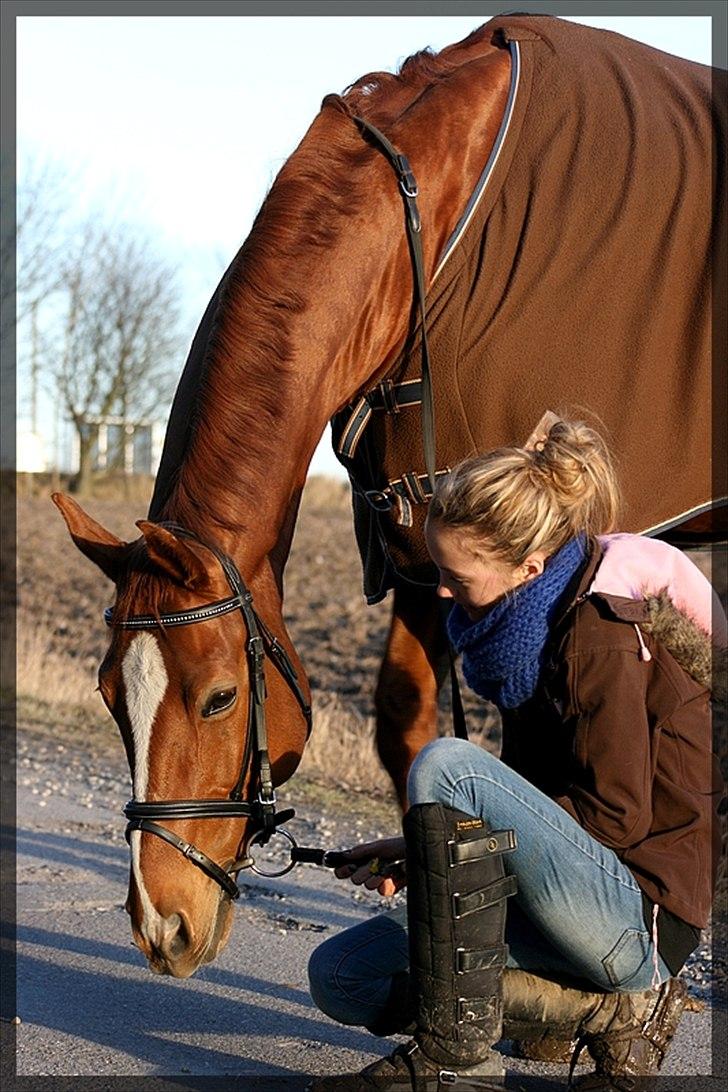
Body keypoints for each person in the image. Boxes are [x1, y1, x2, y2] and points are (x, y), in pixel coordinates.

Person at [307, 413, 724, 1092]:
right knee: (342, 977)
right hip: (573, 898)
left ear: (528, 566)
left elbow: (615, 819)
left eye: (456, 574)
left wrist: (464, 846)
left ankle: (450, 1061)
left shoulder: (597, 637)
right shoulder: (520, 636)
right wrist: (422, 852)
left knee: (442, 762)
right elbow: (534, 810)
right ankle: (609, 1013)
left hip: (637, 918)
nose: (442, 591)